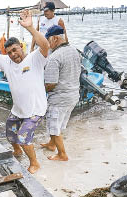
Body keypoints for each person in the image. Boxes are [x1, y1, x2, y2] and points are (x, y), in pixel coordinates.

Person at [0, 9, 49, 174]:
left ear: (21, 47)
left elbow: (45, 45)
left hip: (35, 110)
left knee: (23, 137)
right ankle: (17, 151)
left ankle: (35, 163)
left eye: (15, 49)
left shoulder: (34, 58)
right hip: (18, 110)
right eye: (10, 52)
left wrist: (30, 28)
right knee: (10, 133)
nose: (13, 54)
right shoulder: (6, 62)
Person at [40, 25, 81, 161]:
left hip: (60, 98)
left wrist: (39, 90)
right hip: (73, 95)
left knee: (54, 127)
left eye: (48, 40)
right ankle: (52, 145)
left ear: (55, 38)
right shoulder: (74, 51)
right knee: (59, 123)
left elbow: (51, 84)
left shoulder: (55, 57)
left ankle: (62, 154)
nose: (47, 44)